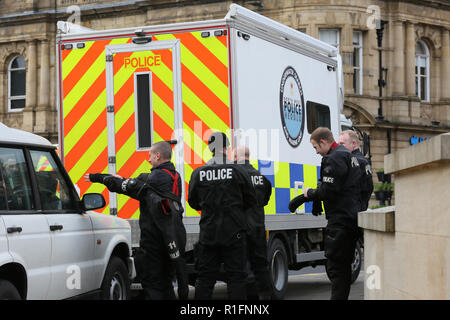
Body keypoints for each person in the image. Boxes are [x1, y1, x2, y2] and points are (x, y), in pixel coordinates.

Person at [84, 141, 188, 300]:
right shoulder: (175, 177)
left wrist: (97, 177)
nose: (149, 159)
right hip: (172, 239)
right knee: (166, 284)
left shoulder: (153, 178)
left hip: (154, 243)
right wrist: (127, 180)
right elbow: (139, 186)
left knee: (153, 285)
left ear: (158, 155)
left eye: (150, 155)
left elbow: (126, 186)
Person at [289, 127, 361, 300]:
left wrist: (309, 194)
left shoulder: (333, 158)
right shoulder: (347, 155)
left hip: (340, 221)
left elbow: (329, 190)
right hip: (351, 218)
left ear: (323, 142)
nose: (316, 152)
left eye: (316, 147)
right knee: (343, 269)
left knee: (336, 269)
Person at [188, 132, 257, 300]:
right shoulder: (238, 170)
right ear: (227, 148)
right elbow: (251, 200)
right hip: (234, 233)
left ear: (210, 148)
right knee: (236, 278)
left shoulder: (199, 172)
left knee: (205, 279)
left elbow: (193, 201)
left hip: (208, 233)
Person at [233, 146, 273, 300]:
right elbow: (265, 200)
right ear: (249, 156)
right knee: (261, 266)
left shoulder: (235, 176)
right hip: (257, 227)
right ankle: (265, 297)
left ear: (236, 155)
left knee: (242, 267)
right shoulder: (261, 177)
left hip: (240, 228)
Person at [338, 130, 374, 212]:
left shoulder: (350, 161)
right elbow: (369, 188)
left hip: (348, 212)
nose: (338, 147)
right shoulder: (364, 161)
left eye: (342, 144)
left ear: (353, 143)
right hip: (360, 209)